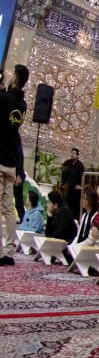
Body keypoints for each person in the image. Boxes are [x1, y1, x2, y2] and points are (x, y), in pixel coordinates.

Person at [0, 64, 29, 267]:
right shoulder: (23, 106)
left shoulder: (5, 99)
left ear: (15, 79)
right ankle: (9, 252)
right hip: (11, 163)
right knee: (9, 209)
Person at [62, 148, 84, 216]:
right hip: (69, 187)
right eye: (72, 153)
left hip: (76, 188)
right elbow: (64, 173)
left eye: (74, 153)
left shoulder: (80, 166)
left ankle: (75, 217)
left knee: (75, 205)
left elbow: (82, 177)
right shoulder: (68, 163)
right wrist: (63, 183)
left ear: (77, 155)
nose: (72, 155)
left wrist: (80, 186)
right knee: (67, 202)